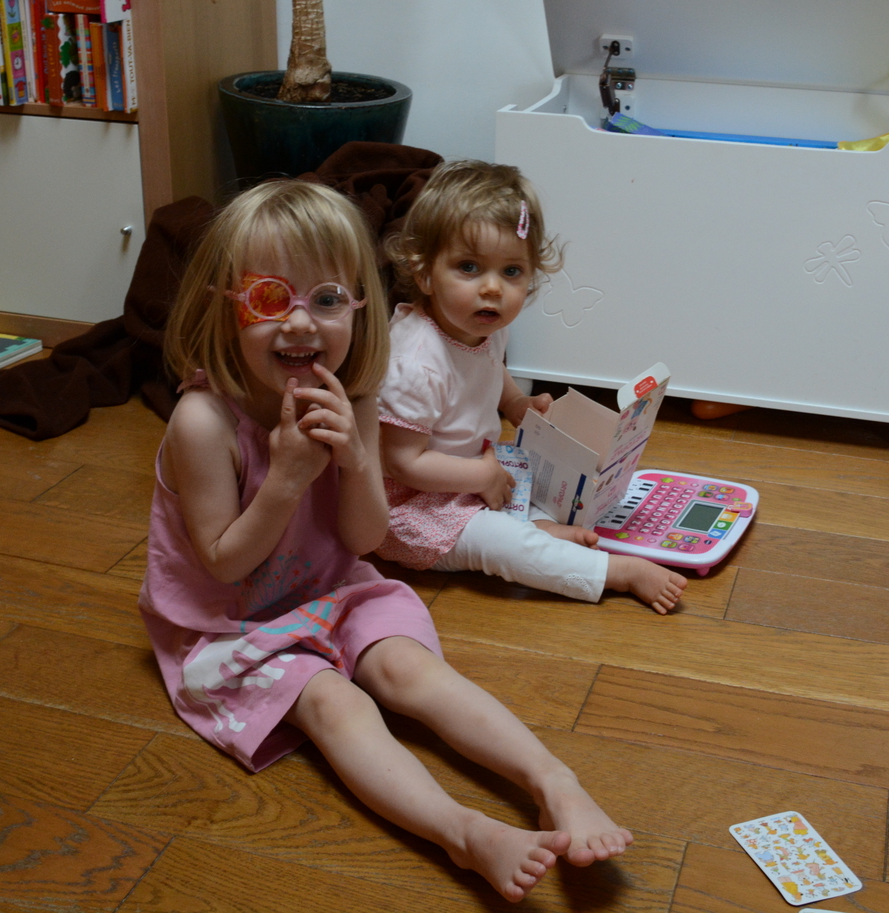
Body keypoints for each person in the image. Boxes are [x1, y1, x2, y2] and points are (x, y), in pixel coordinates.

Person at [140, 180, 631, 902]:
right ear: (224, 305)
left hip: (332, 585)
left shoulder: (357, 395)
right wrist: (285, 480)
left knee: (410, 671)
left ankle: (555, 782)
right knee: (335, 704)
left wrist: (354, 462)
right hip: (232, 621)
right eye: (270, 298)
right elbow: (221, 562)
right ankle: (463, 832)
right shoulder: (203, 422)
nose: (300, 323)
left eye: (327, 298)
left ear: (360, 305)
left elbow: (366, 536)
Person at [378, 160, 688, 614]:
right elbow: (401, 463)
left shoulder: (483, 326)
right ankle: (611, 571)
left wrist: (514, 402)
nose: (493, 289)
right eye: (469, 267)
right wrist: (481, 477)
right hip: (411, 509)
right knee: (501, 544)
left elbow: (488, 367)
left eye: (511, 272)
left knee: (549, 482)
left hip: (470, 475)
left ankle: (539, 530)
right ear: (424, 273)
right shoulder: (414, 363)